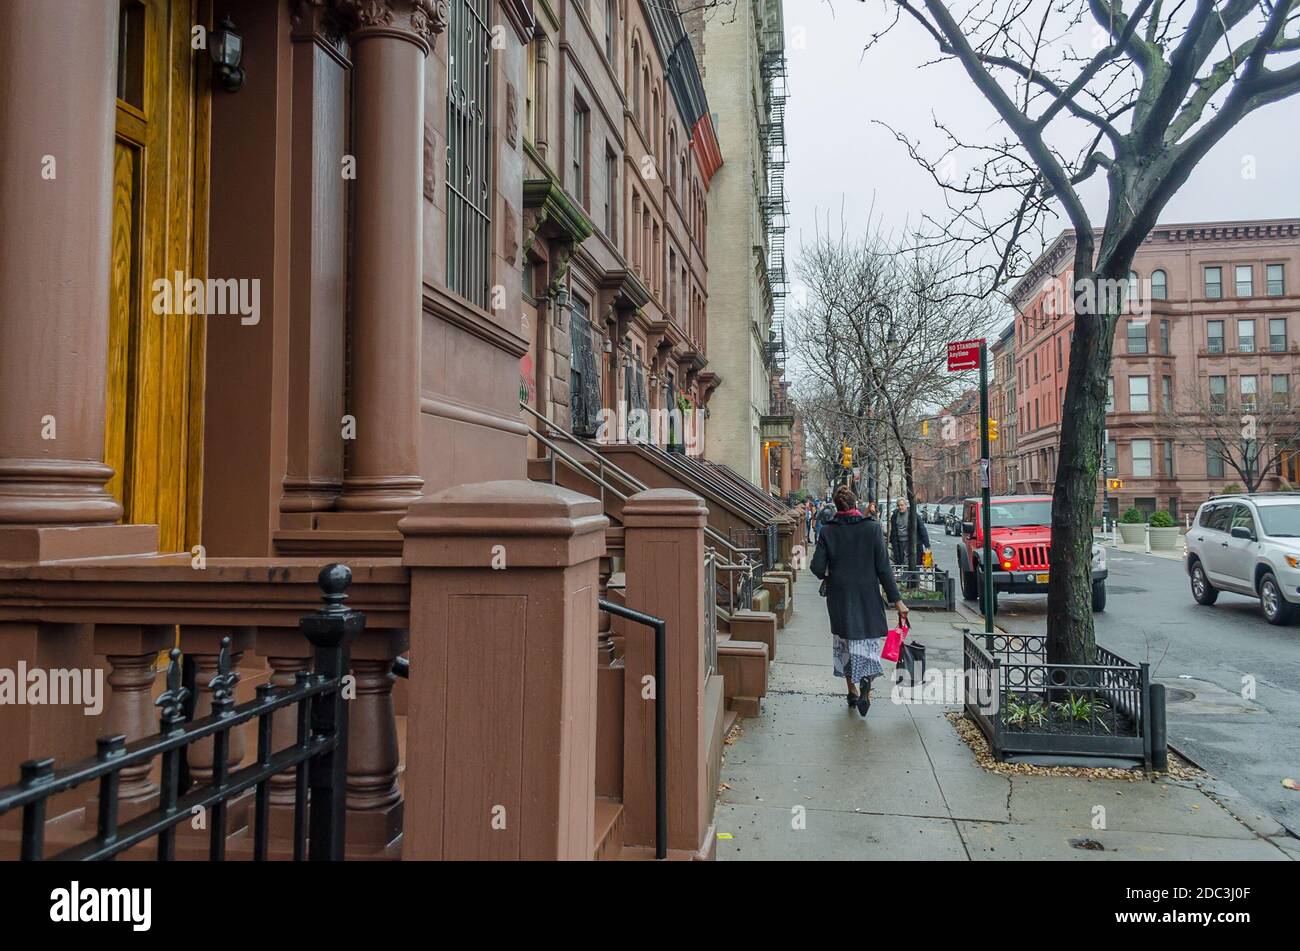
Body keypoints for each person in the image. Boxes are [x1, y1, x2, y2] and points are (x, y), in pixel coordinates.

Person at [811, 485, 908, 717]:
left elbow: (816, 567)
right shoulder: (873, 529)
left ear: (837, 507)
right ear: (857, 506)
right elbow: (884, 569)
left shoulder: (828, 531)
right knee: (867, 643)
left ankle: (852, 691)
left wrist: (830, 574)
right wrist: (897, 601)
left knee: (844, 643)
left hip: (840, 596)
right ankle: (866, 683)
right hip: (867, 595)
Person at [889, 498, 930, 566]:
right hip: (899, 543)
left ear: (906, 505)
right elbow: (893, 531)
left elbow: (922, 528)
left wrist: (927, 544)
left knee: (911, 561)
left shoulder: (913, 515)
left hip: (911, 542)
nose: (900, 507)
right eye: (898, 505)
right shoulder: (895, 516)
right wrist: (891, 541)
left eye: (902, 505)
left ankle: (911, 575)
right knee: (901, 561)